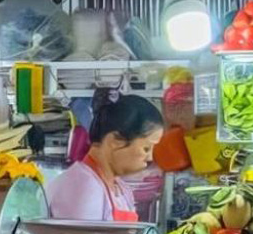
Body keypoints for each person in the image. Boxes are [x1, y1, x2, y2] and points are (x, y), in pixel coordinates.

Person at [45, 94, 165, 222]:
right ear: (114, 141)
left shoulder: (121, 188)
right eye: (146, 148)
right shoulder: (84, 186)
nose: (150, 158)